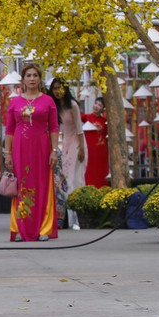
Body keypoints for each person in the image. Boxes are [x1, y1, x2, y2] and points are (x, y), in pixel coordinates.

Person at [4, 64, 60, 242]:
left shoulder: (48, 101)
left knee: (42, 184)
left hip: (42, 148)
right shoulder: (15, 102)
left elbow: (53, 127)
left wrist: (54, 150)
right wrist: (7, 153)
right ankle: (19, 228)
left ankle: (44, 227)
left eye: (35, 75)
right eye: (28, 75)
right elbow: (9, 130)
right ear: (23, 79)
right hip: (20, 148)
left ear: (40, 78)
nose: (32, 78)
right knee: (21, 185)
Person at [50, 78, 87, 230]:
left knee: (75, 180)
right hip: (65, 144)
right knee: (66, 181)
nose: (58, 91)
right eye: (55, 89)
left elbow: (79, 129)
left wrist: (82, 149)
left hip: (78, 144)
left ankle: (78, 219)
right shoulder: (57, 107)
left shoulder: (73, 106)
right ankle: (69, 218)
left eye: (60, 88)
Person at [82, 97, 109, 188]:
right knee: (89, 170)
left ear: (103, 108)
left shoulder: (105, 122)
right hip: (89, 150)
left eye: (99, 105)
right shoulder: (86, 117)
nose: (96, 106)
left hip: (101, 150)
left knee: (101, 170)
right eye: (96, 103)